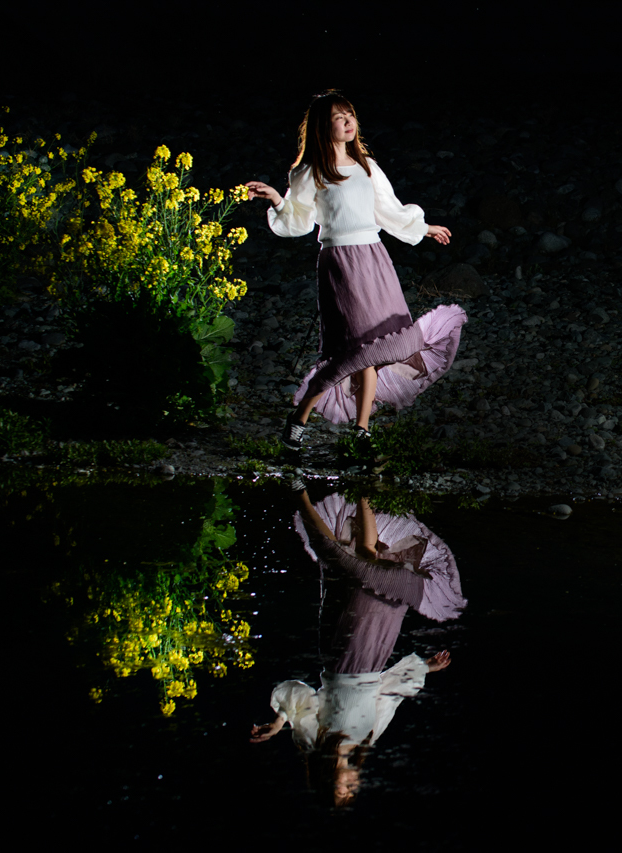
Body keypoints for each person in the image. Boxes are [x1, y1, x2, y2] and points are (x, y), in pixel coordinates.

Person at [244, 90, 467, 451]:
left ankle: (361, 431)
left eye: (350, 114)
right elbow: (299, 220)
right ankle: (299, 419)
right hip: (340, 262)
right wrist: (276, 199)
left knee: (377, 344)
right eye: (339, 117)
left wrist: (424, 228)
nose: (348, 121)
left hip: (374, 258)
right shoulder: (310, 171)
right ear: (323, 126)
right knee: (350, 350)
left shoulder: (366, 166)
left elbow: (388, 209)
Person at [249, 488, 465, 808]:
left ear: (327, 780)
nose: (353, 785)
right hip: (376, 651)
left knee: (347, 564)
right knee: (371, 559)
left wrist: (279, 723)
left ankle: (300, 493)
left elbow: (297, 695)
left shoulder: (315, 741)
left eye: (343, 790)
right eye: (353, 791)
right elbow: (388, 695)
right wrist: (424, 667)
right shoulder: (367, 740)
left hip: (343, 655)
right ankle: (364, 489)